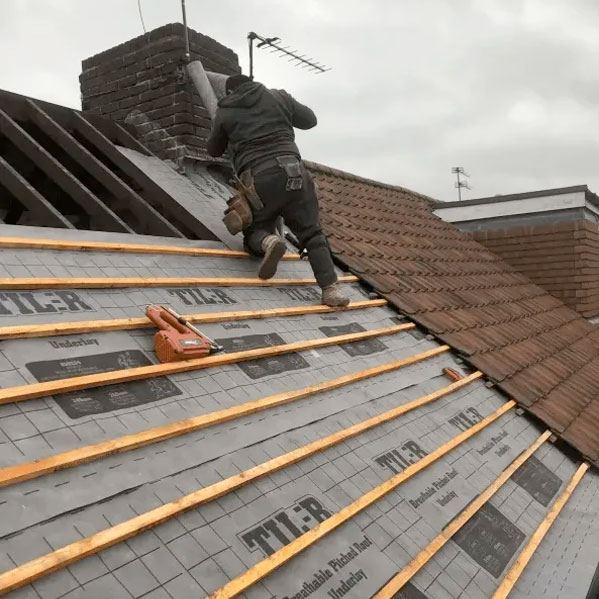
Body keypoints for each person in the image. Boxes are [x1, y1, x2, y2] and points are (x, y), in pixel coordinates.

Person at [206, 74, 349, 307]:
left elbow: (213, 150)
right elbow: (310, 120)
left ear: (230, 92)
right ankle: (330, 290)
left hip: (259, 179)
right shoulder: (278, 96)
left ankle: (269, 242)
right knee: (312, 233)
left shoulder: (226, 111)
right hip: (294, 172)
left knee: (254, 228)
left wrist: (226, 127)